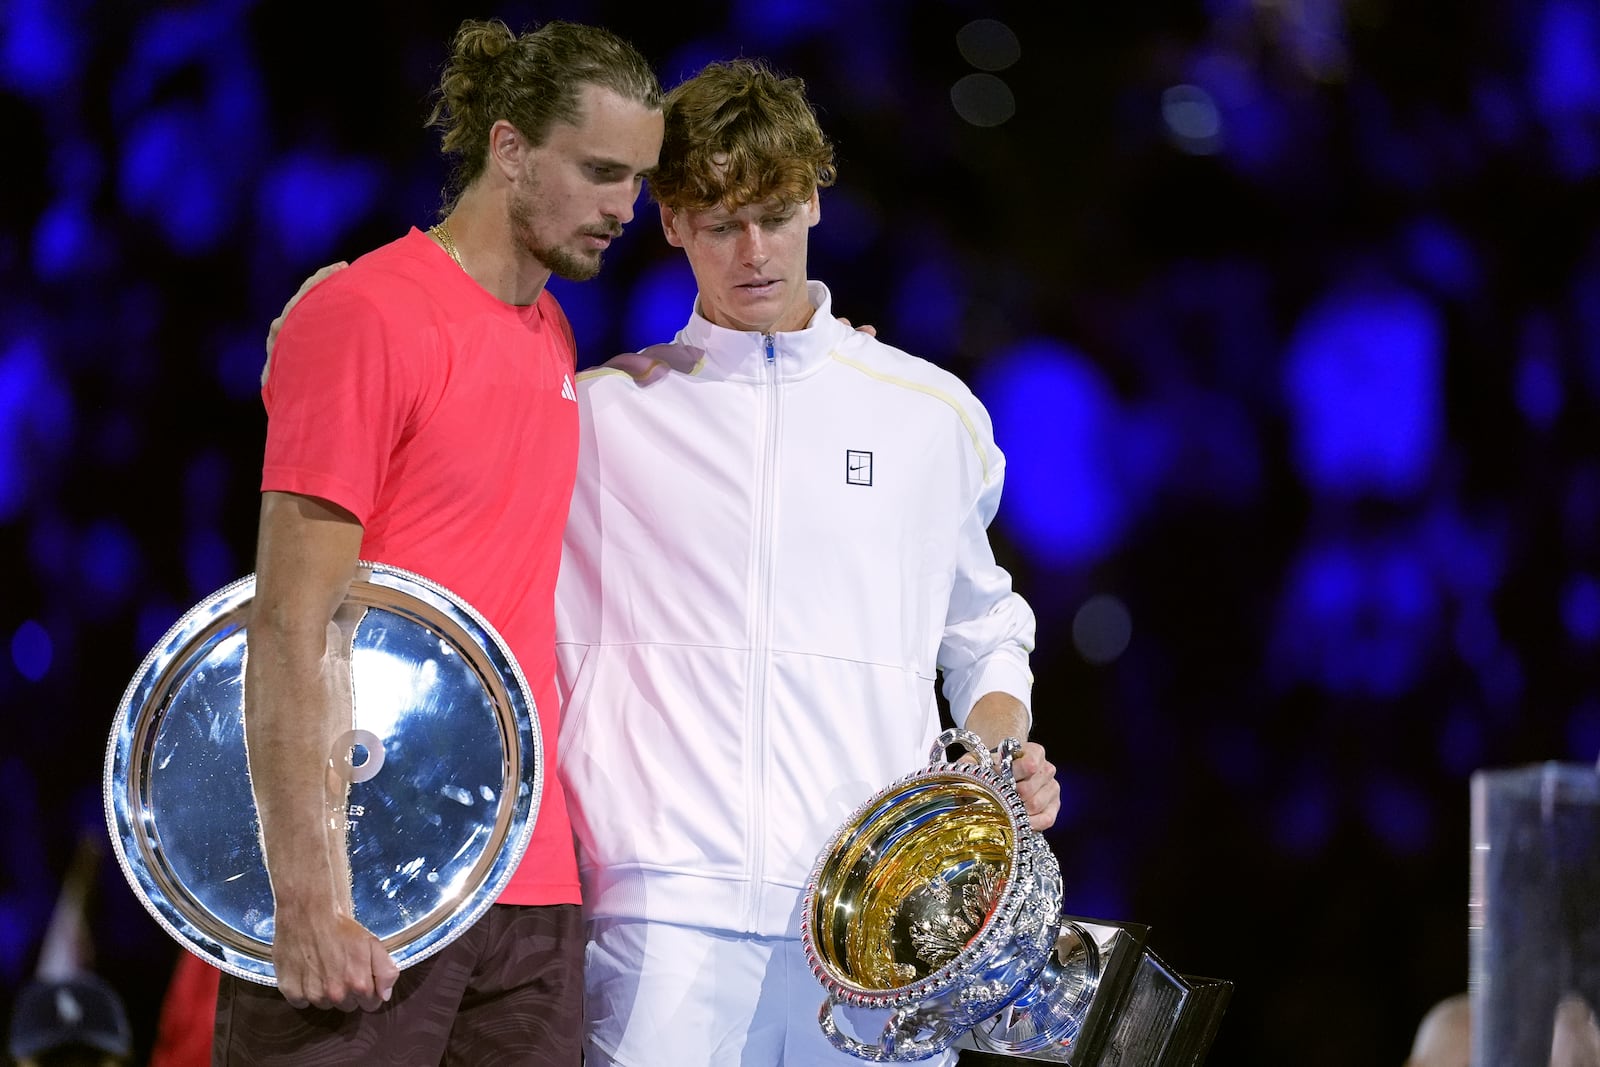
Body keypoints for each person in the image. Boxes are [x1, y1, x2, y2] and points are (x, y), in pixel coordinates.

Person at [553, 59, 1059, 1065]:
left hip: (880, 926)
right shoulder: (595, 419)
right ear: (670, 221)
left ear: (816, 200)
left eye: (776, 216)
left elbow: (984, 627)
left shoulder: (927, 413)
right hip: (664, 920)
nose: (753, 251)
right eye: (719, 221)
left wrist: (995, 756)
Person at [224, 16, 662, 1066]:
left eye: (638, 181)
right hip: (369, 888)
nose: (623, 208)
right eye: (601, 171)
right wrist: (309, 894)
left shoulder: (553, 334)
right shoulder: (366, 313)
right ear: (509, 148)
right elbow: (289, 618)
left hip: (531, 890)